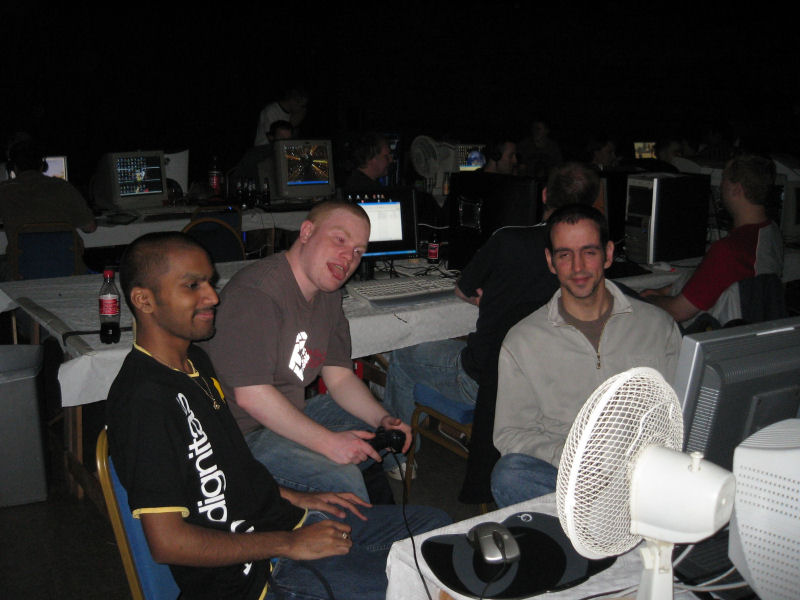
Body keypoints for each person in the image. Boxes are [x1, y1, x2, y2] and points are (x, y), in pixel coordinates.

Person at [106, 232, 450, 600]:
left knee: (436, 530)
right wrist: (289, 543)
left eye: (209, 282)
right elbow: (168, 543)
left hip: (283, 525)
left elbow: (234, 467)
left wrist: (299, 498)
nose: (213, 297)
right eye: (193, 286)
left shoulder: (196, 362)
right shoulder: (143, 400)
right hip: (257, 576)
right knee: (420, 585)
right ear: (143, 300)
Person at [383, 163, 602, 489]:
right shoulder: (591, 261)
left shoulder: (508, 240)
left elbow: (463, 290)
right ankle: (440, 425)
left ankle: (398, 459)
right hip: (544, 388)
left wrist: (491, 301)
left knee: (402, 356)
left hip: (484, 383)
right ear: (593, 204)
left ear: (544, 195)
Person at [204, 201, 412, 502]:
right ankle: (352, 520)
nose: (349, 257)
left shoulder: (328, 295)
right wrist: (329, 444)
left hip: (289, 414)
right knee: (342, 474)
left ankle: (374, 508)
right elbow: (251, 396)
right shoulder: (256, 294)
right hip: (239, 436)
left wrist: (383, 419)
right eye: (339, 240)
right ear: (306, 232)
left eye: (358, 251)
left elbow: (340, 378)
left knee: (379, 428)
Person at [491, 204, 681, 508]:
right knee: (510, 475)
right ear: (551, 261)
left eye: (589, 252)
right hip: (572, 476)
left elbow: (681, 409)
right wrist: (576, 459)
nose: (577, 267)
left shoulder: (658, 326)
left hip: (646, 468)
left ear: (608, 254)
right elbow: (511, 434)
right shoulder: (523, 340)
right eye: (565, 255)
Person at [641, 154, 783, 326]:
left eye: (724, 179)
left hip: (708, 332)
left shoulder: (729, 250)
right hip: (747, 328)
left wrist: (648, 300)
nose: (721, 186)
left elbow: (677, 311)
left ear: (736, 189)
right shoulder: (771, 232)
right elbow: (712, 280)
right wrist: (665, 291)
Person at [0, 134, 96, 279]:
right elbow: (90, 227)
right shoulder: (63, 187)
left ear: (13, 167)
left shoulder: (4, 191)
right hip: (69, 270)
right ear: (42, 165)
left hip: (22, 273)